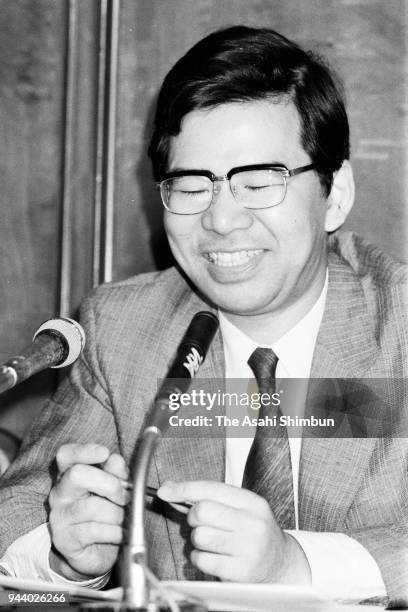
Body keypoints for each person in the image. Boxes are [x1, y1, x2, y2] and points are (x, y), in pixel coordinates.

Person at [0, 25, 407, 606]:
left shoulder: (400, 327)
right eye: (191, 185)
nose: (220, 220)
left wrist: (295, 567)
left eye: (258, 182)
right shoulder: (125, 331)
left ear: (334, 193)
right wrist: (64, 556)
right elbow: (12, 525)